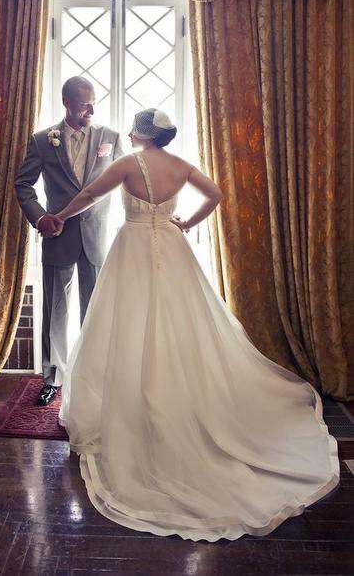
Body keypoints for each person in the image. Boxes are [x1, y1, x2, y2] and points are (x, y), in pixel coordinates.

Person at [52, 107, 339, 541]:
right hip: (172, 245)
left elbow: (91, 194)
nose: (128, 130)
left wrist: (58, 217)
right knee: (177, 328)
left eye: (133, 126)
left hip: (132, 249)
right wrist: (186, 221)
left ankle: (140, 409)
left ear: (143, 134)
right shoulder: (182, 165)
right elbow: (217, 194)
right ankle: (172, 397)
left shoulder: (129, 164)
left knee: (127, 328)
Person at [15, 76, 124, 405]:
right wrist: (40, 217)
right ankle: (53, 377)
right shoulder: (42, 141)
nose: (91, 109)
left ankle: (96, 375)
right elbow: (23, 185)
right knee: (55, 312)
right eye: (83, 103)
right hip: (57, 236)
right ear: (67, 103)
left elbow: (129, 181)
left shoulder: (111, 138)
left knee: (95, 309)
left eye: (94, 102)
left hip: (97, 236)